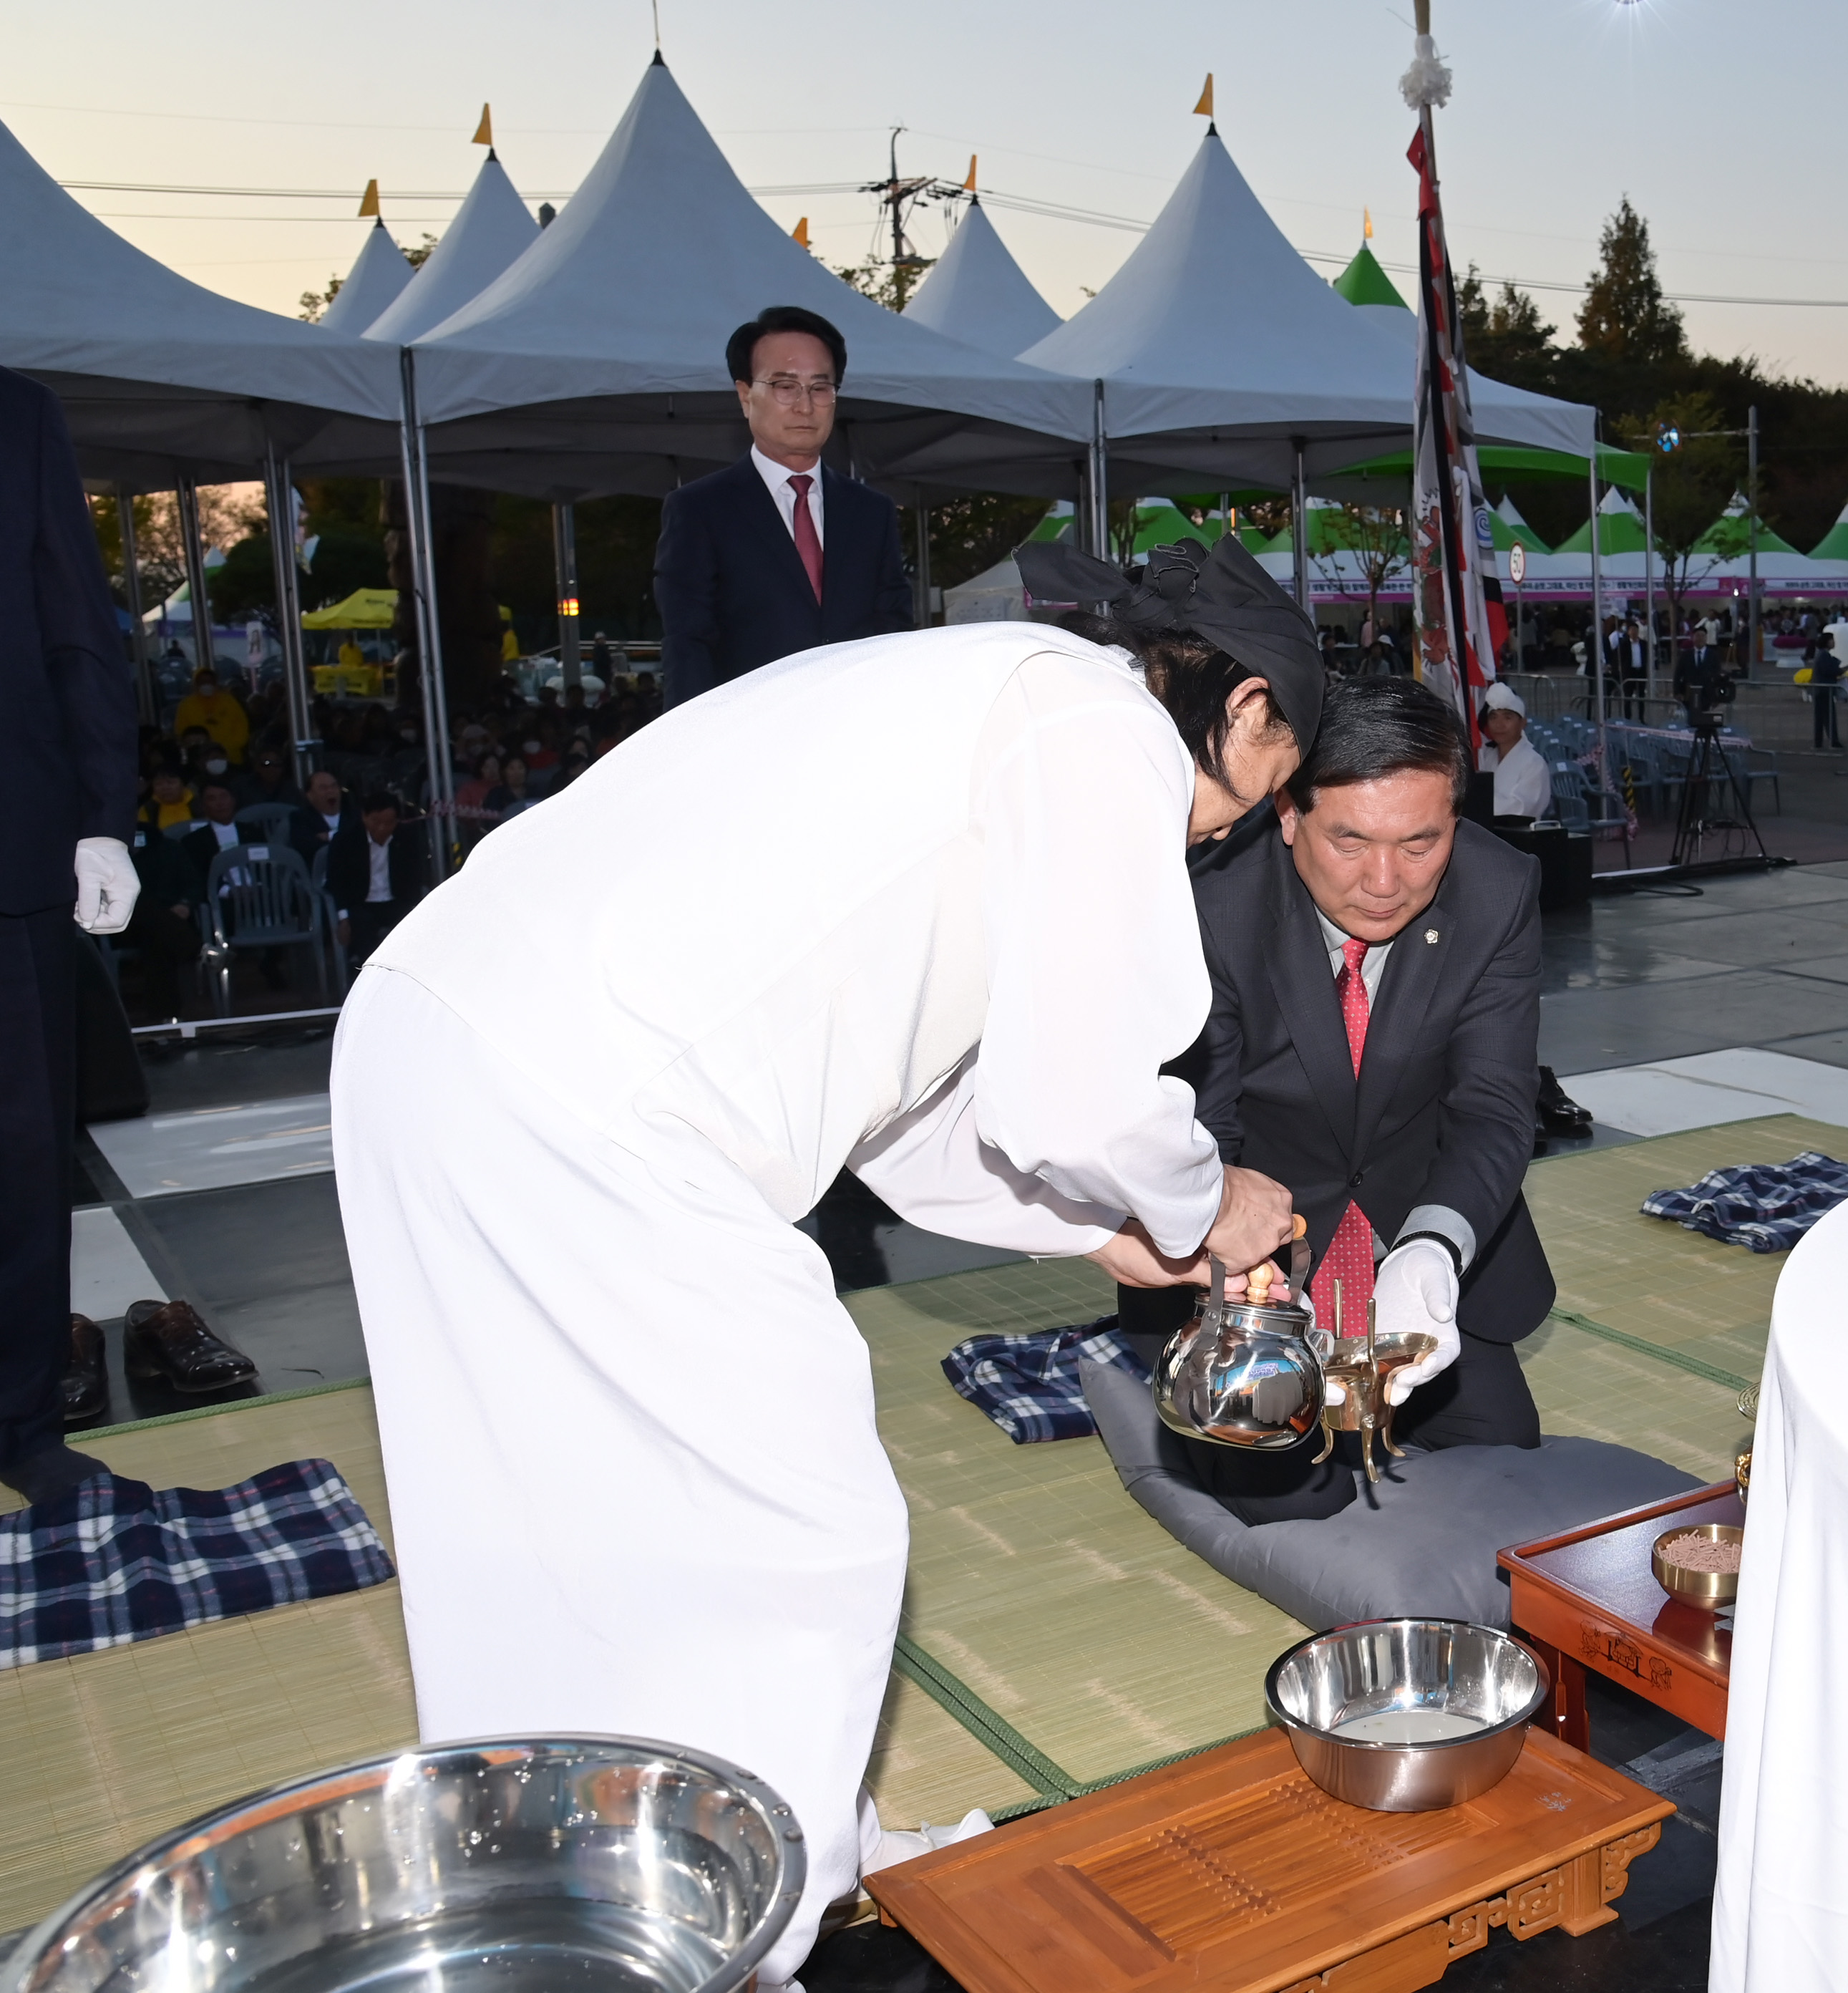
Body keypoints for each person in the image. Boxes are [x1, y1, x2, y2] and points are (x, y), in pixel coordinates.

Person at [331, 533, 1314, 1985]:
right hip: (593, 1101)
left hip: (441, 1042)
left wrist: (1116, 1229)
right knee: (807, 1523)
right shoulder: (1101, 724)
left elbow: (907, 1124)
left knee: (555, 1525)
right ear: (1236, 713)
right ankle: (760, 1924)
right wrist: (1210, 1199)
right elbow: (1088, 1099)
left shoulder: (986, 698)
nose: (1221, 840)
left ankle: (595, 1900)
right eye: (1253, 804)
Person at [1113, 674, 1542, 1523]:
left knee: (1506, 1478)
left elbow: (1493, 1107)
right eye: (1350, 840)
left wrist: (1432, 1250)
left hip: (1415, 1233)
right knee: (1295, 1505)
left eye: (1422, 842)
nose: (1385, 880)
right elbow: (1208, 1126)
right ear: (1286, 814)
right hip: (1258, 1255)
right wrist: (1259, 1282)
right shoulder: (1210, 900)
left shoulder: (1498, 890)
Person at [1, 367, 137, 1503]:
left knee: (25, 1157)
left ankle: (23, 1419)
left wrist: (104, 819)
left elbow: (76, 623)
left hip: (15, 845)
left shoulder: (17, 413)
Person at [655, 305, 914, 707]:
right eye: (785, 386)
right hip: (749, 737)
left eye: (820, 387)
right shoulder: (700, 510)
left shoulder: (872, 512)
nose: (805, 406)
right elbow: (688, 646)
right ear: (745, 396)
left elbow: (894, 632)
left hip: (857, 731)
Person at [325, 794, 434, 964]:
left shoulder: (407, 838)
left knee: (414, 925)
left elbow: (416, 876)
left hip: (396, 899)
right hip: (361, 902)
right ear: (364, 817)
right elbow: (337, 881)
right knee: (362, 927)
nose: (382, 828)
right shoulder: (346, 840)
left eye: (389, 822)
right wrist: (343, 918)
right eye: (376, 821)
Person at [1477, 682, 1552, 822]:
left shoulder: (1534, 763)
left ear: (1523, 723)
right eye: (1493, 717)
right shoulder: (1487, 756)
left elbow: (1520, 808)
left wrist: (1475, 802)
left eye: (1508, 717)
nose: (1499, 724)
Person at [173, 670, 250, 765]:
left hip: (231, 757)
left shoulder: (229, 702)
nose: (207, 684)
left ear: (215, 683)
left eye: (210, 681)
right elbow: (181, 732)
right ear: (196, 684)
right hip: (198, 760)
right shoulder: (186, 705)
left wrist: (228, 747)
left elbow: (242, 727)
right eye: (203, 682)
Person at [288, 766, 354, 864]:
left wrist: (330, 836)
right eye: (323, 788)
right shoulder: (300, 818)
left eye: (334, 786)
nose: (330, 791)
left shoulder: (353, 814)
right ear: (310, 795)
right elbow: (307, 847)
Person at [1808, 631, 1844, 750]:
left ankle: (1819, 742)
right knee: (1828, 716)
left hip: (1821, 690)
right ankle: (1832, 741)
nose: (1834, 642)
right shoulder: (1824, 655)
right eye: (1832, 640)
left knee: (1821, 717)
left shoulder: (1822, 655)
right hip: (1824, 690)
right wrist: (1840, 671)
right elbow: (1828, 670)